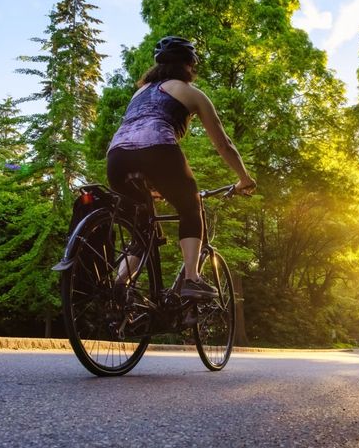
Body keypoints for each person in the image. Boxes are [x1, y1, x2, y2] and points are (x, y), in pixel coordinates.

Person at [106, 36, 256, 299]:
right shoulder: (191, 93)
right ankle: (191, 278)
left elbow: (134, 137)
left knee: (142, 230)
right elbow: (223, 144)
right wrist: (244, 178)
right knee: (190, 206)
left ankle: (119, 287)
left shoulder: (139, 93)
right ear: (189, 65)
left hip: (117, 158)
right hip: (159, 150)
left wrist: (153, 182)